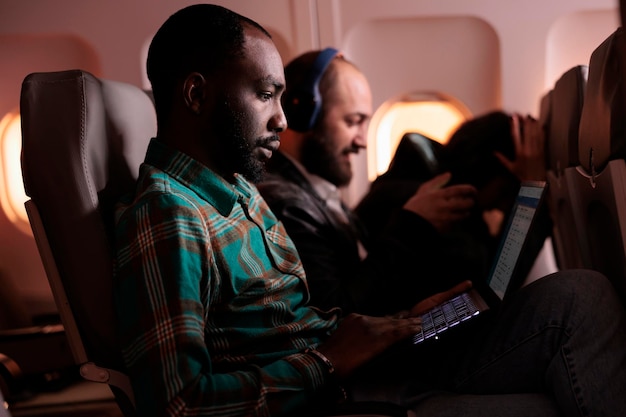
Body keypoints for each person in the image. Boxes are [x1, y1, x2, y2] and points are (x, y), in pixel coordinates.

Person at [113, 4, 626, 417]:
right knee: (576, 315)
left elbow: (292, 322)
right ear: (197, 94)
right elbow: (177, 405)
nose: (281, 119)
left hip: (360, 367)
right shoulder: (169, 215)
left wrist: (400, 323)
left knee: (575, 297)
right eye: (266, 94)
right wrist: (330, 360)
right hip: (338, 394)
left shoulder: (237, 191)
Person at [257, 50, 478, 315]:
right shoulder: (286, 205)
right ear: (303, 114)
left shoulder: (316, 190)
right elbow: (336, 315)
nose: (362, 141)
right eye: (353, 122)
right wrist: (412, 225)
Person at [356, 110, 551, 287]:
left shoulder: (420, 176)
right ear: (489, 168)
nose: (503, 205)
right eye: (505, 191)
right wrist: (532, 192)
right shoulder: (439, 204)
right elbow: (493, 288)